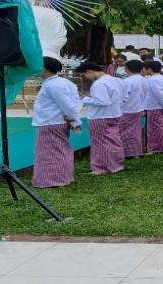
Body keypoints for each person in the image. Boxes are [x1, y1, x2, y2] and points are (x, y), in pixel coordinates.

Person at [31, 57, 82, 188]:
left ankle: (54, 180)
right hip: (55, 121)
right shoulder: (64, 82)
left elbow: (68, 105)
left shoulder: (53, 85)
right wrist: (74, 121)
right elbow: (75, 102)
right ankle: (63, 178)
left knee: (50, 153)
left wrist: (74, 120)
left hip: (51, 122)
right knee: (59, 150)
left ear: (45, 69)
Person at [76, 61, 126, 175]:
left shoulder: (99, 84)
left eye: (84, 75)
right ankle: (117, 165)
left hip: (100, 116)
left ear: (89, 71)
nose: (86, 78)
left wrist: (85, 99)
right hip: (114, 114)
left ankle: (101, 168)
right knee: (114, 141)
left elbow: (102, 101)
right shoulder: (116, 80)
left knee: (100, 143)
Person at [120, 60, 149, 160]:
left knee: (125, 132)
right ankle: (136, 152)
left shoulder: (127, 81)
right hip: (139, 108)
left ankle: (129, 153)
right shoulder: (144, 80)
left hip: (127, 109)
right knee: (135, 131)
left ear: (126, 69)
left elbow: (123, 97)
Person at [142, 60, 163, 155]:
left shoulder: (153, 79)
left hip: (155, 106)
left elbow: (159, 94)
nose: (143, 70)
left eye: (144, 68)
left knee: (154, 129)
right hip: (160, 106)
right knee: (160, 127)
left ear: (149, 69)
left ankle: (156, 148)